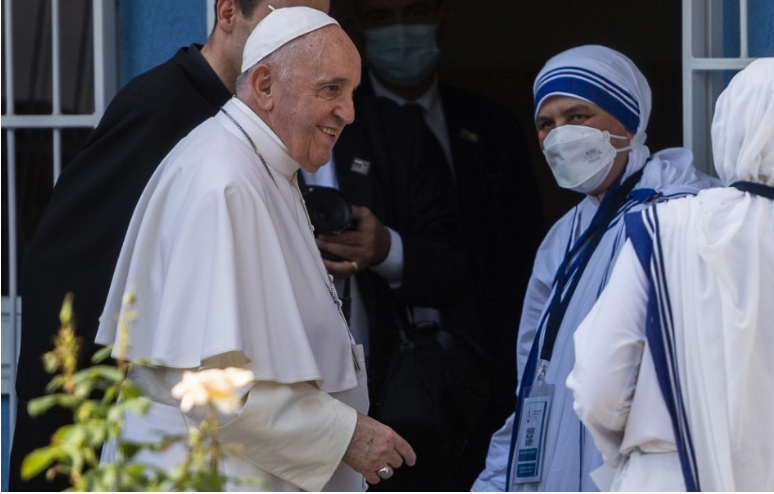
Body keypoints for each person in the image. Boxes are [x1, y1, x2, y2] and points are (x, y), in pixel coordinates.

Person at [9, 1, 328, 491]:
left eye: (319, 24)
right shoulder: (163, 107)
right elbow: (74, 272)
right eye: (287, 18)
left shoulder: (258, 123)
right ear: (227, 13)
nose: (305, 38)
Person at [94, 7, 417, 491]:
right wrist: (345, 435)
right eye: (330, 90)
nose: (348, 113)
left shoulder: (261, 164)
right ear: (264, 86)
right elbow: (215, 390)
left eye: (351, 93)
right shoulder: (222, 181)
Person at [472, 45, 719, 492]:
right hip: (559, 460)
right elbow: (535, 373)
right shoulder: (563, 235)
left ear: (628, 123)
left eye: (578, 116)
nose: (558, 135)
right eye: (546, 124)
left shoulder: (684, 214)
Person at [339, 1, 547, 488]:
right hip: (390, 386)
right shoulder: (339, 123)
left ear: (443, 21)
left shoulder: (492, 124)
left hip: (489, 365)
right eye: (381, 16)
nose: (401, 31)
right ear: (356, 28)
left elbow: (524, 251)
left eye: (414, 11)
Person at [566, 57, 774, 492]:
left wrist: (633, 457)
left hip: (667, 474)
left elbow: (598, 385)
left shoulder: (667, 226)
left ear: (729, 125)